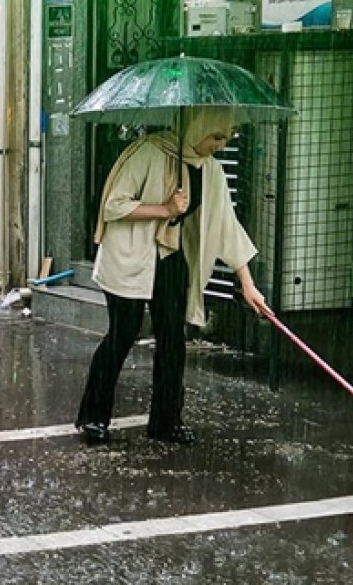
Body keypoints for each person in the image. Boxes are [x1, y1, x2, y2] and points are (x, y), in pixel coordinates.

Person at [75, 107, 272, 446]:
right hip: (130, 255)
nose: (220, 145)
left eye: (225, 138)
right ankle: (93, 417)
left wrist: (248, 283)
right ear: (197, 127)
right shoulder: (147, 151)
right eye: (216, 136)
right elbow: (112, 205)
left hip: (170, 257)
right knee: (124, 332)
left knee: (173, 340)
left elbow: (227, 226)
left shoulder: (210, 170)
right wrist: (164, 209)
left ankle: (166, 422)